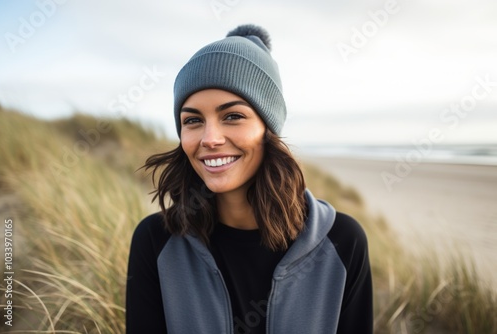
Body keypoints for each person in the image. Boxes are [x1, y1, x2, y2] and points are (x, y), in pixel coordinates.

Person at [126, 24, 373, 334]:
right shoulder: (157, 241)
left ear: (268, 129)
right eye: (193, 120)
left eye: (233, 116)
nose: (210, 138)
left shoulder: (341, 241)